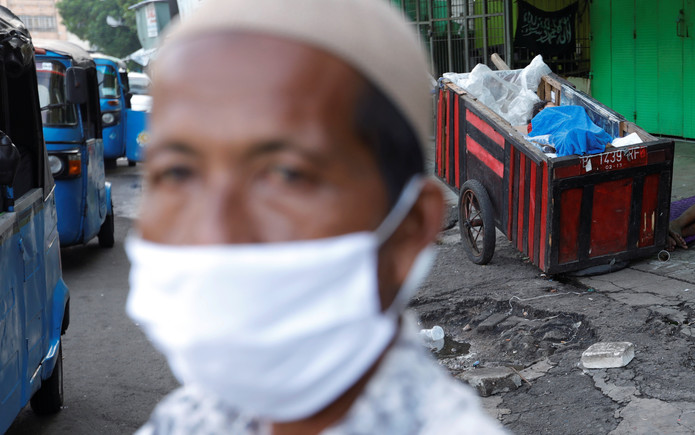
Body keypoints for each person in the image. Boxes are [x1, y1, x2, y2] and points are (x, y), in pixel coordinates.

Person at [125, 1, 507, 434]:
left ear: (410, 230)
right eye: (177, 172)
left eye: (286, 175)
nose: (214, 232)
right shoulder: (183, 422)